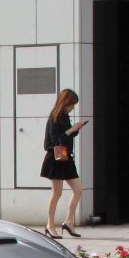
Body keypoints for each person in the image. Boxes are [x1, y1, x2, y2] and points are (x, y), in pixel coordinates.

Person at [40, 88, 87, 238]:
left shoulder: (65, 117)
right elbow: (55, 141)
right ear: (65, 102)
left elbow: (67, 136)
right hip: (56, 158)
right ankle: (50, 225)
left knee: (78, 190)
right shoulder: (55, 117)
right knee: (56, 193)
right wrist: (72, 129)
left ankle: (69, 221)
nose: (73, 107)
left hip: (66, 157)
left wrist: (75, 129)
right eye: (72, 104)